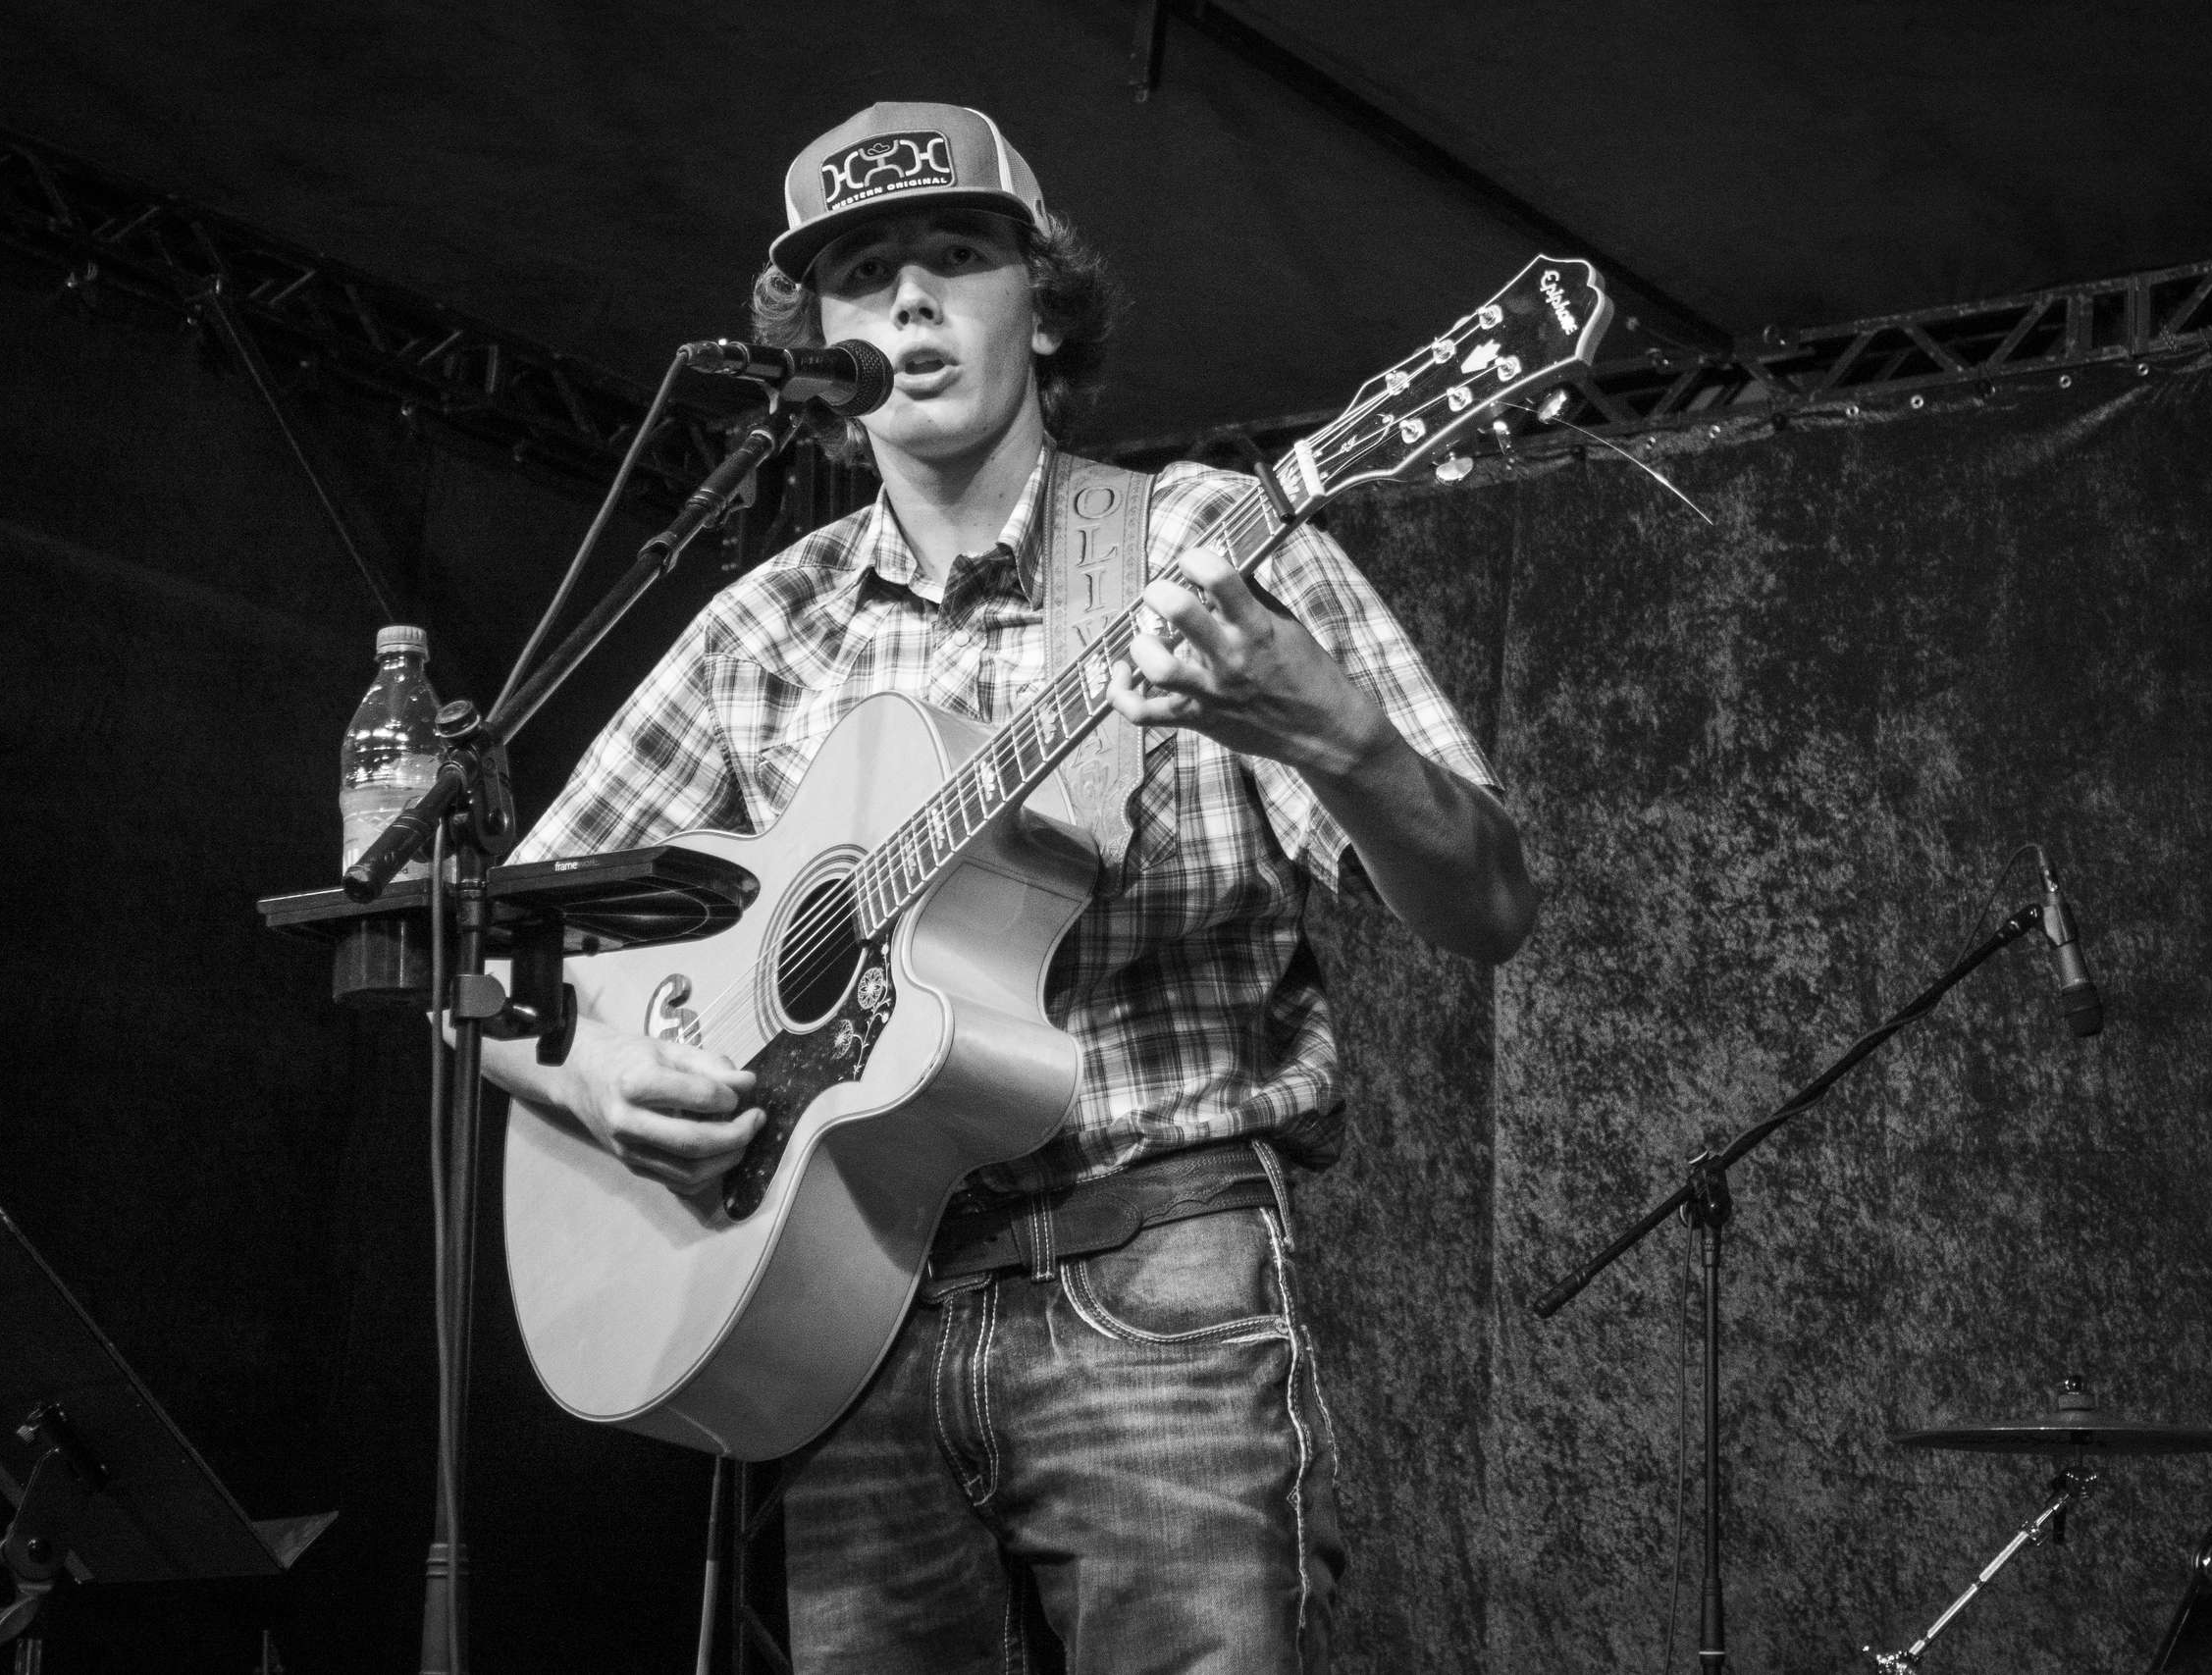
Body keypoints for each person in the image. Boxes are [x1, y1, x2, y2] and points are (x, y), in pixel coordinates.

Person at [486, 103, 1537, 1673]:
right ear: (816, 344)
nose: (904, 304)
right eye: (857, 278)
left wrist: (1333, 732)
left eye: (954, 257)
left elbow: (1489, 907)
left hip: (1152, 1281)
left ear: (1040, 305)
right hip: (841, 1307)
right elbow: (489, 944)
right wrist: (601, 1067)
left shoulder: (1202, 546)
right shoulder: (761, 626)